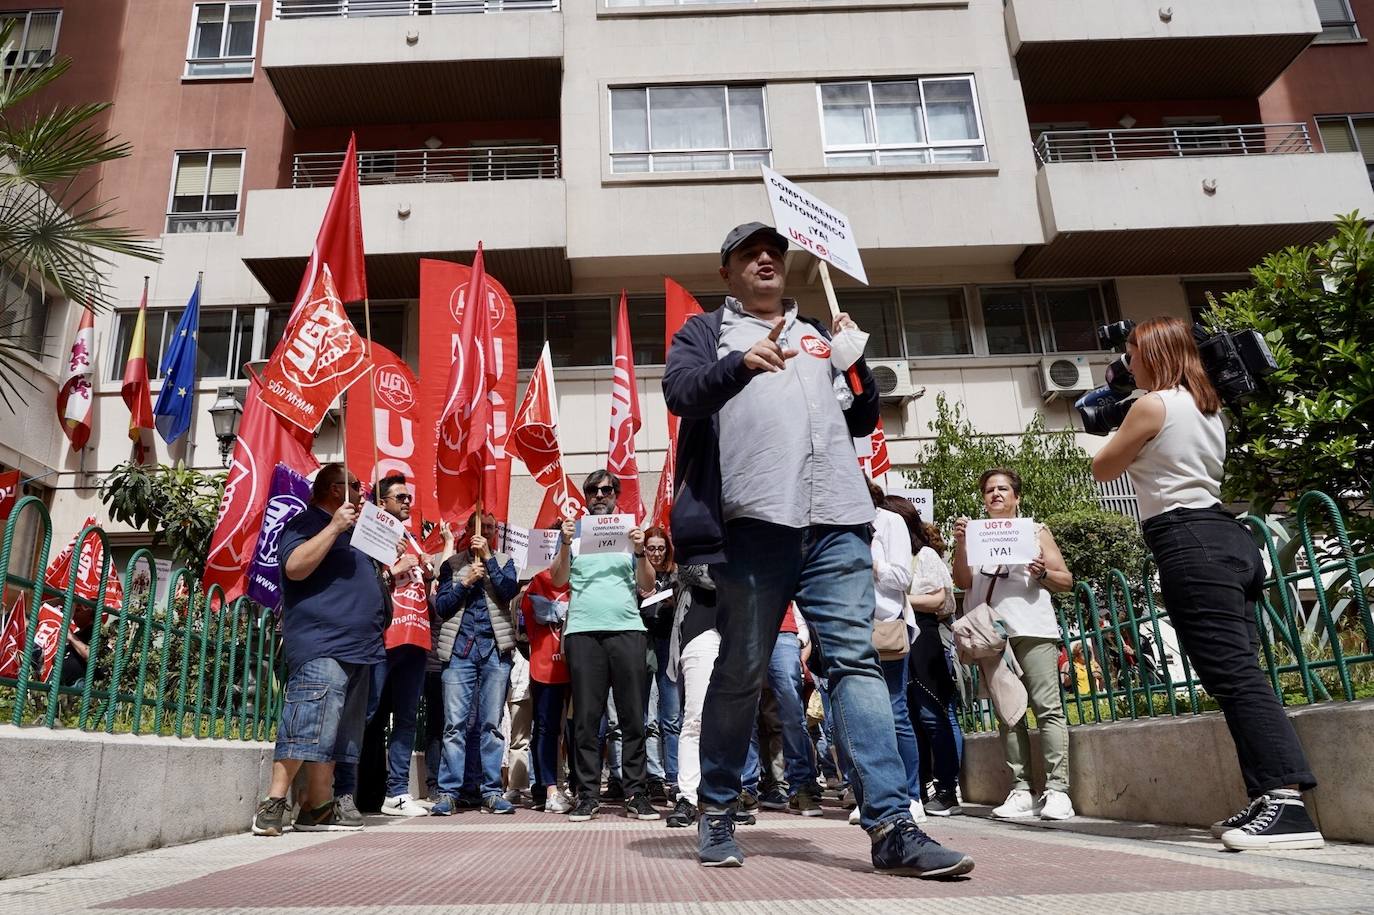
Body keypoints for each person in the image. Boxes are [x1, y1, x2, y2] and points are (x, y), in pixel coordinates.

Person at [662, 221, 974, 877]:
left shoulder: (819, 333)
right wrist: (737, 365)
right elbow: (680, 391)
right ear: (727, 272)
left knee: (855, 661)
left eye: (775, 249)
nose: (767, 258)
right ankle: (716, 807)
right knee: (741, 670)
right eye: (750, 252)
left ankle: (891, 824)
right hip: (753, 524)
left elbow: (860, 416)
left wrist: (854, 361)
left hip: (837, 520)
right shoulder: (705, 332)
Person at [1091, 315, 1323, 851]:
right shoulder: (1206, 406)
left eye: (1132, 351)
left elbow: (1103, 466)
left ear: (1154, 352)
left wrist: (1119, 405)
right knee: (1240, 674)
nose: (1126, 362)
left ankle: (1288, 808)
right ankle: (1270, 797)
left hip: (1188, 542)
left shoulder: (1152, 405)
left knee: (1236, 679)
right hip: (1225, 537)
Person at [252, 463, 385, 837]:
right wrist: (334, 527)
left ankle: (317, 806)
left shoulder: (356, 530)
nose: (363, 492)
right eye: (357, 486)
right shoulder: (305, 522)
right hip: (322, 642)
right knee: (307, 719)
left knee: (337, 730)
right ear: (333, 489)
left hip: (360, 647)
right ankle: (273, 804)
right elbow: (294, 567)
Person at [953, 468, 1075, 822]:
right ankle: (1021, 789)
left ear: (1016, 496)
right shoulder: (973, 535)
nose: (995, 495)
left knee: (1047, 707)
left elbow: (1064, 580)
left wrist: (1041, 573)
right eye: (989, 490)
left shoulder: (1035, 531)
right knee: (1009, 713)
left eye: (1003, 489)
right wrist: (961, 544)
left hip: (1033, 628)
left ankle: (1058, 790)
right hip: (992, 635)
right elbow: (962, 581)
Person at [550, 470, 659, 823]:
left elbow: (647, 583)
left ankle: (636, 793)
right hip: (583, 633)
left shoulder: (630, 534)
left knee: (632, 717)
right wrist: (564, 544)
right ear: (585, 496)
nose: (600, 495)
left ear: (616, 495)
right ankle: (587, 795)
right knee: (585, 720)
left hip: (627, 629)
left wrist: (641, 551)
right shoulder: (573, 532)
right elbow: (558, 579)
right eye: (593, 490)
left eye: (607, 489)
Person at [334, 473, 434, 819]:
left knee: (406, 718)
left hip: (416, 639)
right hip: (384, 638)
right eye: (400, 497)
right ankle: (343, 790)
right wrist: (394, 570)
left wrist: (429, 569)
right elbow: (361, 581)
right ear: (383, 502)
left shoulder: (413, 538)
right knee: (368, 713)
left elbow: (425, 581)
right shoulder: (370, 533)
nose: (407, 502)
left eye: (409, 497)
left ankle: (396, 793)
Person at [431, 513, 520, 816]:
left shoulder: (505, 561)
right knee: (454, 725)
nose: (486, 532)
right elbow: (441, 607)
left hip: (494, 651)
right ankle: (449, 792)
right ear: (468, 531)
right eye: (480, 527)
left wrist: (490, 561)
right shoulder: (451, 565)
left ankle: (491, 791)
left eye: (492, 528)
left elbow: (509, 591)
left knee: (491, 725)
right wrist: (465, 583)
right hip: (459, 652)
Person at [884, 496, 964, 817]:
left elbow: (940, 600)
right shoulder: (886, 558)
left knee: (934, 714)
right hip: (894, 639)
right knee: (908, 719)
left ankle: (947, 788)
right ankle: (915, 790)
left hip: (925, 642)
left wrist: (902, 597)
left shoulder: (925, 555)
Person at [868, 481, 924, 824]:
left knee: (895, 713)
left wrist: (872, 563)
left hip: (886, 627)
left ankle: (911, 794)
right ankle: (873, 796)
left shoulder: (889, 522)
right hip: (849, 629)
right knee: (860, 720)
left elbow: (902, 578)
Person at [519, 562, 573, 813]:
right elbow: (540, 613)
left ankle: (579, 788)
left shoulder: (581, 574)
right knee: (546, 728)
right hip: (545, 665)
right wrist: (567, 609)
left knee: (580, 728)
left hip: (576, 665)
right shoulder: (538, 580)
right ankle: (547, 788)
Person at [640, 527, 681, 802]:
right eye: (650, 548)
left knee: (672, 717)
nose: (655, 553)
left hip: (668, 643)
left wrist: (671, 602)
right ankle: (652, 778)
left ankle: (675, 778)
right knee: (645, 717)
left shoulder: (675, 575)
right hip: (642, 643)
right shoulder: (637, 573)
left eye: (660, 548)